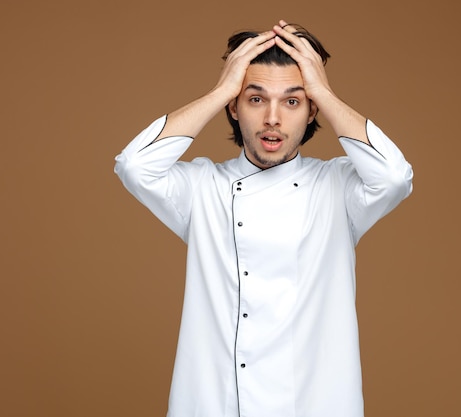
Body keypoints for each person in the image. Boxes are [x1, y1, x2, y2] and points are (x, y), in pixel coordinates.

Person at [115, 19, 413, 417]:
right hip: (214, 405)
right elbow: (135, 166)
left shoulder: (337, 188)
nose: (273, 118)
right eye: (256, 99)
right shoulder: (204, 187)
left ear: (312, 112)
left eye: (292, 101)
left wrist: (323, 90)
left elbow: (395, 176)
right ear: (234, 108)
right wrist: (222, 88)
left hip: (314, 405)